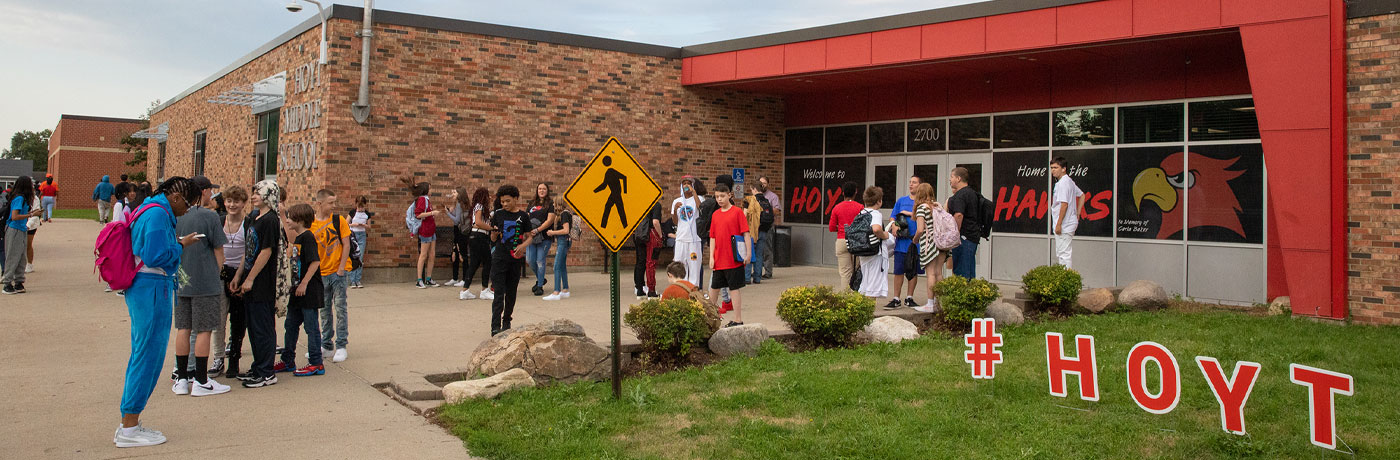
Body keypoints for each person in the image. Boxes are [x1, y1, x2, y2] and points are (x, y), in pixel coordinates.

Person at [114, 176, 202, 448]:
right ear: (175, 197)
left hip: (148, 287)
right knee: (147, 356)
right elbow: (154, 255)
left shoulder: (149, 208)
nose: (187, 210)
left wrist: (175, 243)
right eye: (187, 203)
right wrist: (180, 245)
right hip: (152, 287)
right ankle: (129, 428)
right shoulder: (157, 214)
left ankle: (130, 422)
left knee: (144, 353)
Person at [170, 176, 231, 397]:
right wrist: (217, 273)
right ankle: (202, 380)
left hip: (182, 279)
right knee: (204, 329)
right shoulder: (210, 216)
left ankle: (182, 378)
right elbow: (218, 251)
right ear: (204, 191)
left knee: (183, 328)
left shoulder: (177, 215)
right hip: (205, 281)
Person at [232, 180, 282, 389]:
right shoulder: (254, 217)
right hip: (249, 280)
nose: (253, 196)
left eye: (258, 193)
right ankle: (258, 365)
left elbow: (266, 251)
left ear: (269, 195)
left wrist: (251, 278)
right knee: (252, 326)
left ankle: (266, 372)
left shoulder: (270, 220)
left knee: (263, 327)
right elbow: (249, 250)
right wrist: (240, 275)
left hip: (262, 283)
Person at [273, 203, 327, 377]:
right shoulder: (298, 238)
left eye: (290, 217)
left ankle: (316, 362)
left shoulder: (308, 237)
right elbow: (288, 239)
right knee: (291, 325)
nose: (287, 220)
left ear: (300, 220)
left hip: (308, 292)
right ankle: (288, 359)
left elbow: (315, 262)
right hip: (296, 292)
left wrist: (304, 283)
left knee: (311, 328)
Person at [487, 185, 535, 336]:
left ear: (516, 199)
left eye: (508, 201)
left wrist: (523, 246)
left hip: (515, 259)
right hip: (500, 258)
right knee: (498, 292)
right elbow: (493, 238)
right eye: (502, 202)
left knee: (511, 292)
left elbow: (530, 237)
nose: (505, 204)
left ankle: (506, 320)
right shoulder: (498, 215)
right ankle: (495, 327)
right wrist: (494, 235)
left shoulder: (523, 216)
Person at [311, 189, 352, 363]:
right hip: (321, 273)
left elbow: (346, 244)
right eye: (330, 202)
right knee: (324, 310)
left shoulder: (339, 220)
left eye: (334, 202)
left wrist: (341, 267)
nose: (334, 206)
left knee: (340, 308)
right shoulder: (311, 223)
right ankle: (326, 345)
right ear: (319, 204)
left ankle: (341, 345)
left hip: (338, 272)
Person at [218, 185, 250, 377]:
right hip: (222, 273)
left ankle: (234, 362)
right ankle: (218, 358)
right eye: (229, 201)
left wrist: (239, 276)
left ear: (243, 203)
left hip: (240, 273)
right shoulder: (219, 221)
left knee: (238, 321)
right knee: (219, 320)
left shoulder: (248, 224)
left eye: (236, 201)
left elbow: (248, 251)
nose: (232, 204)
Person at [707, 184, 750, 327]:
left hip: (733, 258)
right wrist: (711, 257)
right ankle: (709, 318)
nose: (719, 199)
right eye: (717, 196)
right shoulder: (715, 215)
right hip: (719, 259)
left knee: (734, 288)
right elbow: (712, 237)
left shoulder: (737, 212)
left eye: (722, 196)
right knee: (714, 288)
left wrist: (748, 253)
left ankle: (738, 319)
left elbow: (746, 233)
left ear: (729, 195)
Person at [886, 175, 923, 310]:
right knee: (898, 271)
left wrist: (908, 213)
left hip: (915, 243)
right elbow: (893, 216)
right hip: (901, 242)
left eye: (914, 182)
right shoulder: (901, 200)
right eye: (910, 182)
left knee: (913, 271)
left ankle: (909, 297)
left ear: (920, 185)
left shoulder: (922, 203)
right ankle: (896, 298)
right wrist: (894, 225)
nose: (911, 184)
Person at [911, 183, 950, 313]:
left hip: (929, 244)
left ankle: (930, 303)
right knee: (939, 272)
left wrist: (915, 239)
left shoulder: (922, 208)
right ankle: (944, 302)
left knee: (931, 274)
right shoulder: (937, 206)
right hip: (942, 243)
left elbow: (920, 229)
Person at [856, 187, 893, 299]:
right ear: (879, 201)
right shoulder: (875, 214)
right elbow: (876, 229)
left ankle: (862, 311)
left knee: (865, 285)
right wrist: (885, 235)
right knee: (873, 288)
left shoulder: (861, 213)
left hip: (863, 252)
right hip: (875, 253)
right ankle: (869, 312)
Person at [404, 178, 442, 288]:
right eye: (430, 188)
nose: (431, 190)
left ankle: (429, 278)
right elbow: (418, 214)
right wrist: (432, 213)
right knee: (423, 254)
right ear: (426, 190)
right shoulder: (422, 200)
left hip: (431, 229)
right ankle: (419, 279)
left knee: (432, 254)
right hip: (425, 230)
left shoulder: (427, 200)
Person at [1050, 157, 1085, 269]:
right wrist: (1077, 213)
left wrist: (1059, 224)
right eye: (1051, 168)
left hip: (1065, 224)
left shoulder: (1063, 183)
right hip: (1069, 222)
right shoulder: (1069, 181)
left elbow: (1064, 204)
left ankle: (1066, 279)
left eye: (1056, 167)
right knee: (1063, 253)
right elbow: (1082, 195)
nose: (1053, 170)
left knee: (1063, 255)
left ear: (1064, 169)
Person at [828, 181, 863, 291]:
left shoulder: (837, 208)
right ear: (856, 192)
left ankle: (846, 297)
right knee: (856, 270)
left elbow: (831, 227)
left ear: (843, 193)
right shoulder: (860, 207)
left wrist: (841, 228)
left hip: (842, 240)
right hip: (856, 241)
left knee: (845, 272)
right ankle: (856, 295)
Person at [948, 167, 983, 279]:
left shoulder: (960, 195)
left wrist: (955, 234)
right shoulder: (972, 193)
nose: (950, 180)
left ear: (958, 179)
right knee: (969, 270)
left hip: (963, 238)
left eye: (952, 177)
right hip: (972, 237)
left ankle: (963, 295)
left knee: (961, 272)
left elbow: (959, 215)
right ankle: (971, 293)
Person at [2, 176, 36, 294]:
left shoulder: (24, 199)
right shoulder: (19, 198)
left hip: (21, 229)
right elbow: (15, 216)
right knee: (13, 256)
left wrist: (30, 214)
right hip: (14, 229)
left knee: (22, 256)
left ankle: (19, 281)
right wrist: (30, 215)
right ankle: (7, 283)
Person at [670, 176, 703, 287]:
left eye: (689, 183)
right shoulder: (677, 201)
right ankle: (679, 288)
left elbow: (701, 208)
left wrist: (694, 192)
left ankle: (693, 289)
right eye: (684, 183)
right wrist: (675, 210)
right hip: (681, 239)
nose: (686, 185)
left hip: (694, 240)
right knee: (678, 265)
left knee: (694, 266)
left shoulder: (699, 198)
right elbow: (675, 222)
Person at [460, 188, 492, 300]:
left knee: (474, 264)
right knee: (488, 262)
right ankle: (484, 290)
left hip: (474, 237)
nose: (489, 198)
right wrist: (491, 228)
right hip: (480, 236)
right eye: (488, 196)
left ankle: (465, 290)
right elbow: (478, 222)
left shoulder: (475, 207)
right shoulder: (480, 206)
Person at [525, 183, 557, 296]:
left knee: (540, 261)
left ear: (547, 191)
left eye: (544, 189)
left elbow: (550, 220)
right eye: (540, 189)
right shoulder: (531, 203)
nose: (542, 191)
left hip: (544, 236)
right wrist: (529, 230)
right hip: (531, 237)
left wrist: (538, 230)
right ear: (537, 190)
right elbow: (526, 217)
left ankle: (539, 286)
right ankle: (541, 278)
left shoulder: (550, 204)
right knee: (530, 260)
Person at [543, 202, 573, 300]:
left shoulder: (563, 214)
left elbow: (566, 230)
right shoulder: (567, 213)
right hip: (565, 241)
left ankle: (556, 292)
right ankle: (565, 289)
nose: (553, 206)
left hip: (563, 241)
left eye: (554, 204)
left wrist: (552, 232)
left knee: (556, 266)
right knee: (562, 266)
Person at [633, 201, 662, 298]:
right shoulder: (656, 205)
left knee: (641, 261)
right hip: (652, 235)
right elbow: (655, 222)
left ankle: (639, 289)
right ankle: (651, 291)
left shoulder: (640, 204)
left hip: (639, 234)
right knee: (651, 263)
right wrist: (661, 235)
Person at [446, 187, 472, 288]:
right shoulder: (458, 204)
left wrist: (447, 212)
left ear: (460, 194)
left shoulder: (459, 204)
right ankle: (455, 277)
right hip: (459, 231)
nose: (452, 194)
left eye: (454, 192)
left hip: (461, 231)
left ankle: (464, 278)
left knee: (462, 254)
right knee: (456, 253)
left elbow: (457, 220)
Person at [757, 177, 780, 279]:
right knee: (757, 249)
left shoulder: (772, 196)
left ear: (768, 184)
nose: (763, 185)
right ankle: (757, 271)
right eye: (761, 183)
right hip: (756, 226)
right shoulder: (755, 196)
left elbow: (777, 210)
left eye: (765, 183)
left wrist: (765, 209)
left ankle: (768, 271)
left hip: (767, 226)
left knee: (767, 249)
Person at [742, 186, 764, 285]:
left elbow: (744, 216)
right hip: (763, 231)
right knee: (759, 255)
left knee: (749, 254)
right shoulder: (766, 200)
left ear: (754, 189)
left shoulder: (749, 200)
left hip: (752, 231)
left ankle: (747, 278)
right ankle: (757, 278)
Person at [348, 196, 371, 289]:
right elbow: (346, 223)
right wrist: (354, 224)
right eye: (359, 206)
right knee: (353, 257)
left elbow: (369, 226)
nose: (360, 208)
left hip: (362, 235)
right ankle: (352, 280)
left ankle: (358, 279)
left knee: (360, 258)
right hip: (353, 234)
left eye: (362, 206)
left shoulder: (367, 214)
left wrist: (364, 225)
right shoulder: (352, 212)